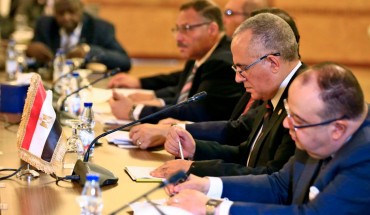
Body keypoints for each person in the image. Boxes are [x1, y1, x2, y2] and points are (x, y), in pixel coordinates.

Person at [164, 62, 370, 215]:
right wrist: (206, 185)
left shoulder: (364, 158)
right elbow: (279, 185)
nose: (286, 124)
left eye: (296, 119)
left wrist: (213, 207)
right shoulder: (316, 127)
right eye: (288, 112)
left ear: (338, 129)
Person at [151, 12, 305, 178]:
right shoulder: (274, 91)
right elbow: (246, 154)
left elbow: (273, 178)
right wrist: (195, 149)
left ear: (272, 63)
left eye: (243, 68)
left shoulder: (302, 99)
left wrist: (194, 169)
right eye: (236, 69)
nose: (238, 78)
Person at [108, 0, 244, 123]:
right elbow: (183, 99)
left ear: (212, 29)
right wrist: (154, 101)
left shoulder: (221, 62)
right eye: (177, 29)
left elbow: (196, 112)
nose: (178, 37)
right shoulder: (197, 58)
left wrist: (135, 110)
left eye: (187, 28)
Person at [25, 0, 131, 71]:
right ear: (54, 13)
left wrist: (88, 51)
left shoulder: (100, 28)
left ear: (81, 11)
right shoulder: (44, 25)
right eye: (61, 13)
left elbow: (124, 62)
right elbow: (33, 63)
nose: (66, 17)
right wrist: (29, 52)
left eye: (71, 12)